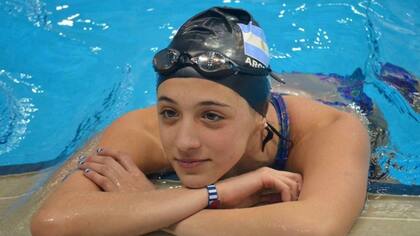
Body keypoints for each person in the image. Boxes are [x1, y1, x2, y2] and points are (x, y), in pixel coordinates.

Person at [31, 6, 370, 236]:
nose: (184, 141)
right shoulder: (141, 130)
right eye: (169, 111)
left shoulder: (330, 130)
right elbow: (52, 221)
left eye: (211, 116)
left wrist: (156, 209)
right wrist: (214, 193)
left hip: (345, 95)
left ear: (259, 116)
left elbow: (316, 226)